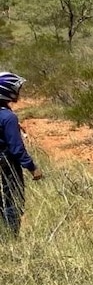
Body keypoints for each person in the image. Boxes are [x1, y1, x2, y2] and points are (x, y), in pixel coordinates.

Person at [0, 72, 43, 238]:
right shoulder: (8, 117)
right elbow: (17, 148)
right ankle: (11, 236)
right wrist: (32, 167)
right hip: (7, 162)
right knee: (13, 198)